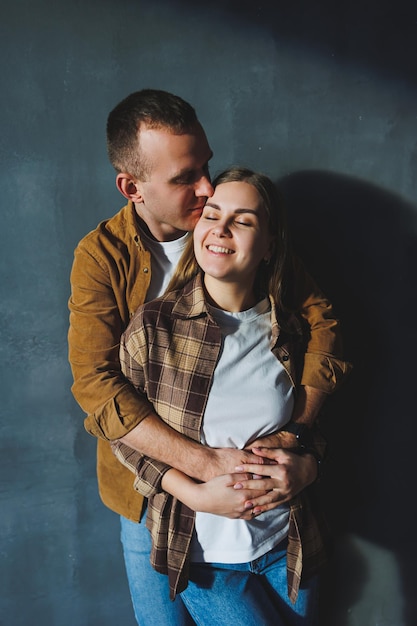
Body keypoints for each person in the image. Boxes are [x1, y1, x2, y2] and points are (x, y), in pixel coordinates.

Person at [68, 89, 350, 625]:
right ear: (133, 188)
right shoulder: (102, 257)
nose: (205, 189)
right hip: (150, 497)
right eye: (183, 178)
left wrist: (297, 439)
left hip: (266, 515)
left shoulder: (235, 235)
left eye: (207, 166)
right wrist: (199, 475)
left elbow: (322, 325)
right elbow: (96, 386)